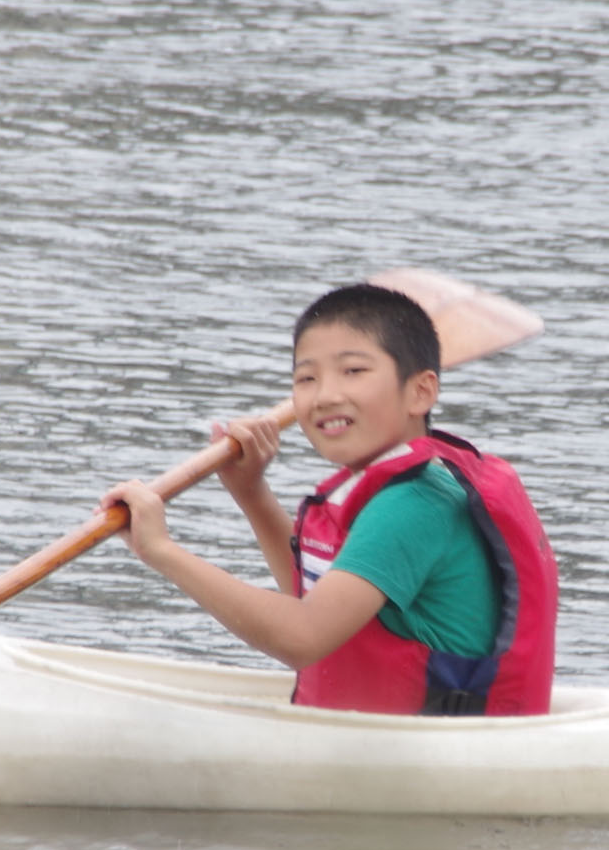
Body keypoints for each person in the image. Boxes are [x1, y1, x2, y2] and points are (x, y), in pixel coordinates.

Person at [102, 282, 559, 716]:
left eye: (353, 371)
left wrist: (161, 551)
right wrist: (251, 492)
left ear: (420, 391)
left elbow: (303, 635)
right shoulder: (381, 485)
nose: (326, 396)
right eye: (306, 378)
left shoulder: (415, 503)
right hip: (381, 736)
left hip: (427, 754)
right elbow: (315, 596)